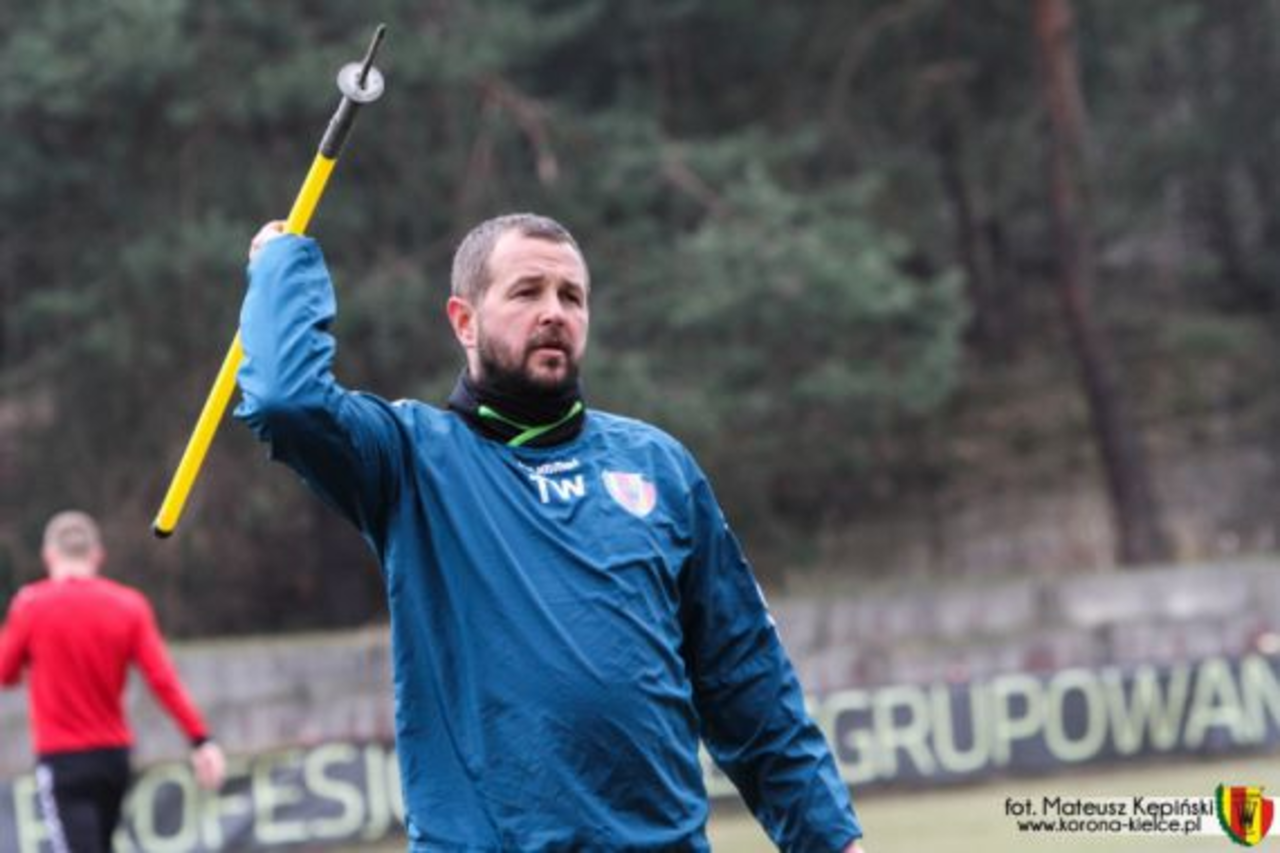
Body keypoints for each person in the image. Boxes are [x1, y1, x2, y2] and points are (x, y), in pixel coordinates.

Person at [237, 213, 866, 852]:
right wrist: (281, 271)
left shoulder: (657, 466)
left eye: (572, 296)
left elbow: (750, 688)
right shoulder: (411, 459)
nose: (554, 313)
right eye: (526, 292)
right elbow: (287, 404)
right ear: (464, 321)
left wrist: (834, 842)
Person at [0, 510, 226, 853]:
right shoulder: (129, 605)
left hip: (63, 760)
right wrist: (201, 740)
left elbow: (4, 673)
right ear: (96, 555)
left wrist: (32, 665)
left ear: (49, 555)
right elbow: (162, 680)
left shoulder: (30, 605)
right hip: (113, 759)